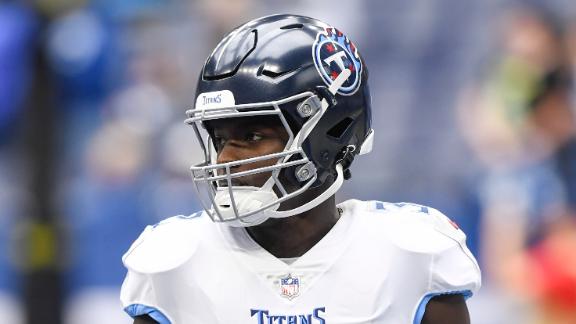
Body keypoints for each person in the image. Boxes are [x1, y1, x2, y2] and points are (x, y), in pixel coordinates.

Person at [120, 14, 481, 324]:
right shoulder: (173, 263)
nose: (225, 159)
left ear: (330, 134)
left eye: (252, 134)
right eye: (219, 138)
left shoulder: (413, 258)